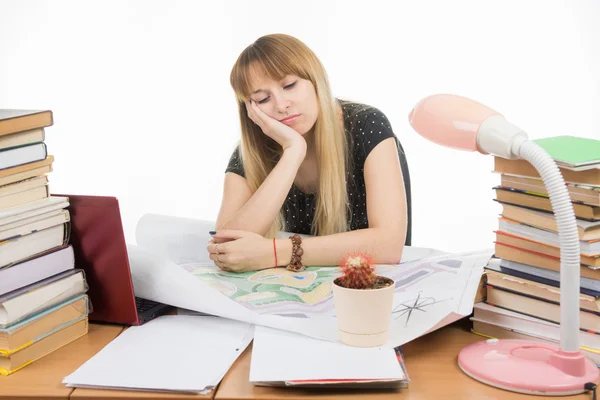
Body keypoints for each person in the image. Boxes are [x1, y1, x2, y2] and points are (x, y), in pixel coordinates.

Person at [206, 33, 409, 272]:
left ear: (315, 80)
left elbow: (389, 245)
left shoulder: (367, 125)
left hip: (365, 288)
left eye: (290, 85)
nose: (281, 105)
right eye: (263, 99)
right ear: (250, 109)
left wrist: (275, 252)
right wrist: (293, 151)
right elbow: (227, 249)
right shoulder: (251, 152)